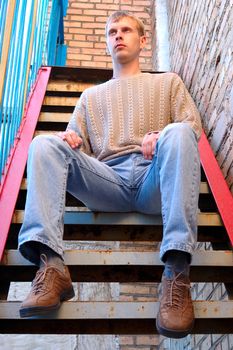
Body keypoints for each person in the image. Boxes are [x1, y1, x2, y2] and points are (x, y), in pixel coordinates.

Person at [18, 11, 202, 338]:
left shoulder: (168, 82)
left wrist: (162, 135)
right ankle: (51, 264)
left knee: (179, 132)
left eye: (126, 30)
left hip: (154, 181)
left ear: (143, 40)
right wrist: (68, 139)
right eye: (112, 31)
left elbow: (192, 129)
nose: (118, 35)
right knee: (44, 144)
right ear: (106, 43)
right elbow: (74, 146)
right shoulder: (90, 97)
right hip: (108, 182)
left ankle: (176, 272)